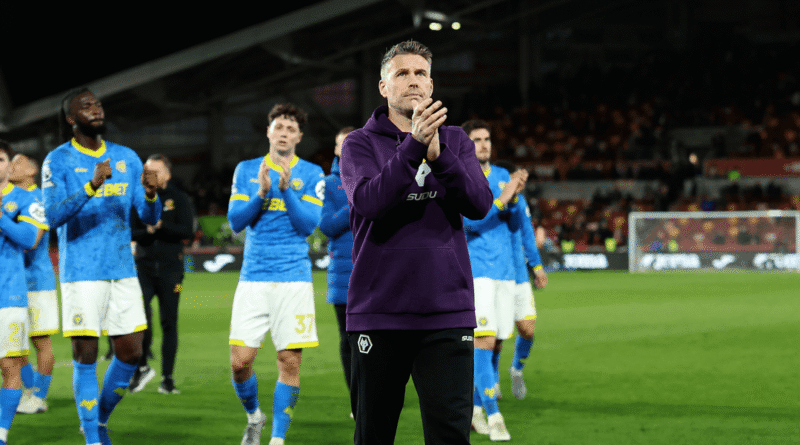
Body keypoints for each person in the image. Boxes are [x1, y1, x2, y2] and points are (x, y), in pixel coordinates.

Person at [339, 40, 493, 445]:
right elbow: (371, 202)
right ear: (383, 87)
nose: (412, 80)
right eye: (402, 73)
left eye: (420, 73)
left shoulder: (457, 140)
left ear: (431, 85)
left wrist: (441, 157)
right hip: (379, 312)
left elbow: (479, 204)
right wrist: (414, 148)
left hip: (447, 313)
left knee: (450, 438)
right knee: (373, 435)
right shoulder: (358, 143)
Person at [42, 88, 161, 445]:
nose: (95, 110)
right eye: (86, 106)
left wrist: (153, 196)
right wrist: (92, 185)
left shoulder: (127, 157)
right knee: (87, 354)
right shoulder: (58, 160)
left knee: (131, 352)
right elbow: (52, 216)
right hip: (82, 272)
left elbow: (148, 216)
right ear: (70, 118)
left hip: (123, 270)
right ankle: (94, 438)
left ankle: (98, 421)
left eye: (98, 105)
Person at [227, 103, 324, 445]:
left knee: (289, 360)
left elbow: (307, 227)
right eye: (279, 127)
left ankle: (278, 439)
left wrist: (286, 191)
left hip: (293, 279)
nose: (283, 133)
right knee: (240, 362)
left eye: (290, 129)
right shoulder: (247, 169)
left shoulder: (312, 174)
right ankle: (254, 416)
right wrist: (263, 193)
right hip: (253, 277)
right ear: (268, 131)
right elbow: (237, 222)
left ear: (299, 136)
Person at [461, 119, 527, 441]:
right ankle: (494, 413)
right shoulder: (461, 178)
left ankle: (474, 407)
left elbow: (514, 225)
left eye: (486, 139)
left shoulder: (502, 176)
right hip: (478, 273)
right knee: (483, 342)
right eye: (476, 140)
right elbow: (469, 222)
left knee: (497, 342)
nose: (483, 144)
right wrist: (503, 199)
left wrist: (513, 202)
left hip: (504, 273)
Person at [127, 154, 195, 395]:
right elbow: (131, 231)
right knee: (139, 320)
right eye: (147, 171)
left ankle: (167, 378)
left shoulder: (178, 198)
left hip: (171, 270)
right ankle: (142, 368)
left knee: (169, 323)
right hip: (143, 267)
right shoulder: (138, 198)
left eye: (155, 171)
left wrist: (161, 226)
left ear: (167, 174)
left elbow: (187, 230)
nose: (150, 176)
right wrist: (148, 230)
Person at [0, 141, 46, 445]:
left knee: (9, 365)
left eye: (0, 159)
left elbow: (30, 238)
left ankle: (1, 434)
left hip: (9, 295)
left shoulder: (26, 199)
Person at [8, 154, 58, 415]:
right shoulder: (11, 198)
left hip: (36, 280)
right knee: (14, 342)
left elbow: (32, 240)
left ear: (31, 171)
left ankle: (39, 396)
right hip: (13, 281)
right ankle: (27, 391)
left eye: (18, 162)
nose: (12, 166)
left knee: (40, 341)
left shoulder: (38, 200)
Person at [494, 160, 548, 401]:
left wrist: (536, 267)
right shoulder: (488, 200)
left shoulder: (520, 202)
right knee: (494, 335)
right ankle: (491, 380)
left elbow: (527, 233)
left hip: (518, 274)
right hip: (495, 272)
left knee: (527, 329)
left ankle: (516, 369)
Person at [319, 126, 355, 412]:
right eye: (341, 144)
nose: (345, 149)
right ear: (335, 150)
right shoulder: (329, 184)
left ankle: (375, 393)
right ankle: (357, 398)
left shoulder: (380, 177)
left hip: (377, 273)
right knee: (348, 340)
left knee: (379, 340)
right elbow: (328, 225)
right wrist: (357, 201)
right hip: (343, 275)